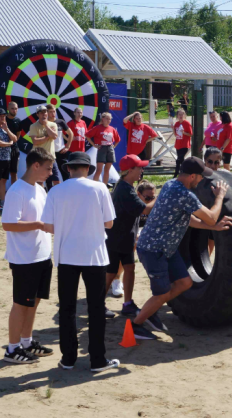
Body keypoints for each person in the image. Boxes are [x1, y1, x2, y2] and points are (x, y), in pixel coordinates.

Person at [132, 157, 232, 340]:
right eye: (200, 176)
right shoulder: (184, 194)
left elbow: (188, 219)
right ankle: (135, 326)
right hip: (153, 250)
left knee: (185, 283)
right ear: (192, 176)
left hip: (167, 248)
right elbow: (211, 217)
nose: (201, 180)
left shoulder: (170, 184)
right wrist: (219, 196)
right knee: (162, 293)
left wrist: (213, 228)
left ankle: (150, 310)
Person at [42, 152, 120, 372]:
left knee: (67, 308)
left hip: (66, 254)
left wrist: (67, 225)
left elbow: (48, 226)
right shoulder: (100, 188)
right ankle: (98, 359)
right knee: (96, 308)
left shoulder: (56, 191)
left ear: (68, 168)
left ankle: (68, 359)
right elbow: (109, 223)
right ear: (88, 169)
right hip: (94, 254)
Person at [2, 148, 55, 364]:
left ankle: (26, 341)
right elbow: (8, 224)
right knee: (21, 304)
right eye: (48, 168)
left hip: (42, 255)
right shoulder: (17, 191)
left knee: (33, 302)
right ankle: (12, 349)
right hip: (24, 258)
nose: (51, 172)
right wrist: (40, 225)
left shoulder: (40, 189)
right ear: (35, 165)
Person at [104, 155, 155, 319]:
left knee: (130, 268)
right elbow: (145, 209)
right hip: (116, 238)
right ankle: (97, 304)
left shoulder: (127, 186)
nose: (141, 170)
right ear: (130, 170)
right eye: (139, 167)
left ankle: (127, 303)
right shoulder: (125, 189)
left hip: (124, 237)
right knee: (111, 273)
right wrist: (161, 197)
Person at [29, 105, 61, 187]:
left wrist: (46, 125)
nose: (44, 114)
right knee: (40, 182)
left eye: (45, 112)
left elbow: (54, 136)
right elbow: (35, 141)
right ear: (37, 114)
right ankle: (41, 195)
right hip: (39, 158)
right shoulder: (33, 126)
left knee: (56, 180)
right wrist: (47, 137)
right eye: (41, 113)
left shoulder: (53, 124)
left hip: (51, 157)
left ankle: (56, 195)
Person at [86, 112, 120, 185]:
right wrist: (94, 145)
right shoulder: (97, 128)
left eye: (110, 119)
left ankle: (104, 186)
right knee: (99, 170)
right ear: (103, 119)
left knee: (107, 170)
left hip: (110, 149)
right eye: (107, 119)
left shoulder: (112, 129)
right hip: (101, 148)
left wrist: (114, 146)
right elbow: (87, 135)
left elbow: (118, 139)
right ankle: (94, 186)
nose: (108, 120)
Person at [47, 104, 73, 183]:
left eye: (54, 111)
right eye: (50, 112)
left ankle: (67, 188)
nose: (53, 113)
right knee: (49, 174)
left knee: (66, 173)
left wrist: (67, 147)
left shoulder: (60, 122)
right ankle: (50, 189)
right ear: (46, 113)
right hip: (49, 152)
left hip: (61, 151)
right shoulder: (45, 123)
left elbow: (71, 134)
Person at [0, 109, 18, 207]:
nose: (2, 118)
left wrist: (7, 129)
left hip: (6, 159)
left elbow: (15, 139)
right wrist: (9, 144)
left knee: (3, 180)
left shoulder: (5, 128)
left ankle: (3, 202)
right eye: (1, 116)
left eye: (3, 116)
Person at [173, 109, 192, 177]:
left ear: (184, 115)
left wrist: (184, 133)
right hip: (178, 144)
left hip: (184, 144)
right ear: (177, 116)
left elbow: (191, 134)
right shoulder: (176, 124)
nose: (181, 116)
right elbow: (175, 135)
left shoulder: (187, 123)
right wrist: (173, 129)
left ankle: (176, 174)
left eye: (182, 114)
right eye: (179, 114)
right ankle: (184, 173)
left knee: (178, 160)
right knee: (181, 160)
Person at [6, 102, 21, 185]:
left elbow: (18, 135)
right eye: (12, 108)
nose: (14, 110)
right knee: (2, 174)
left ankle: (13, 191)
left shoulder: (18, 121)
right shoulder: (3, 120)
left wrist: (13, 141)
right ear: (8, 108)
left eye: (16, 109)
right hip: (3, 150)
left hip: (14, 149)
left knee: (14, 172)